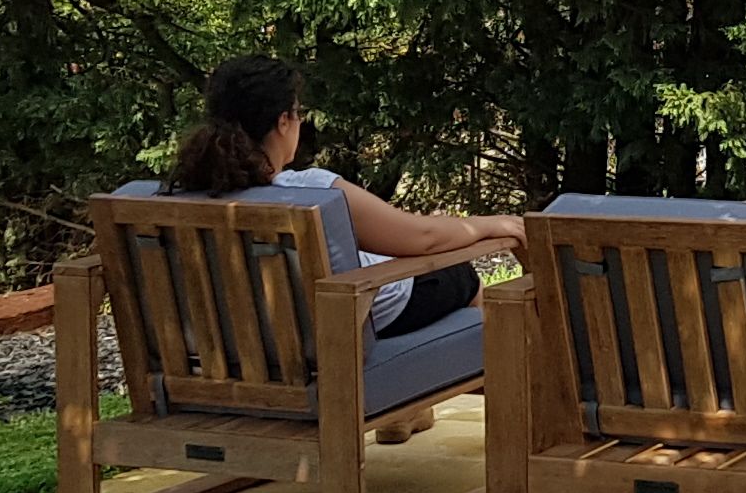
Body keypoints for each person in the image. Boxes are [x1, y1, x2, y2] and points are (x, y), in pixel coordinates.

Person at [158, 56, 517, 338]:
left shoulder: (174, 197)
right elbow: (423, 237)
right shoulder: (313, 191)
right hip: (343, 329)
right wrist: (492, 224)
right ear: (283, 121)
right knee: (458, 276)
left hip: (241, 341)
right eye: (298, 113)